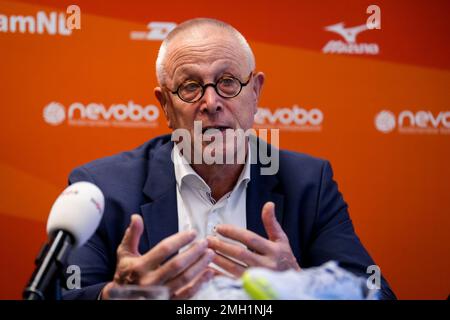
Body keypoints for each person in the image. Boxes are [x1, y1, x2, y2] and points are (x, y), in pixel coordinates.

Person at [62, 18, 396, 300]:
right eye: (190, 86)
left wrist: (301, 284)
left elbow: (374, 290)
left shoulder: (309, 183)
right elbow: (62, 292)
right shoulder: (102, 188)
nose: (211, 102)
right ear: (165, 104)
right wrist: (114, 295)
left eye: (228, 82)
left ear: (255, 93)